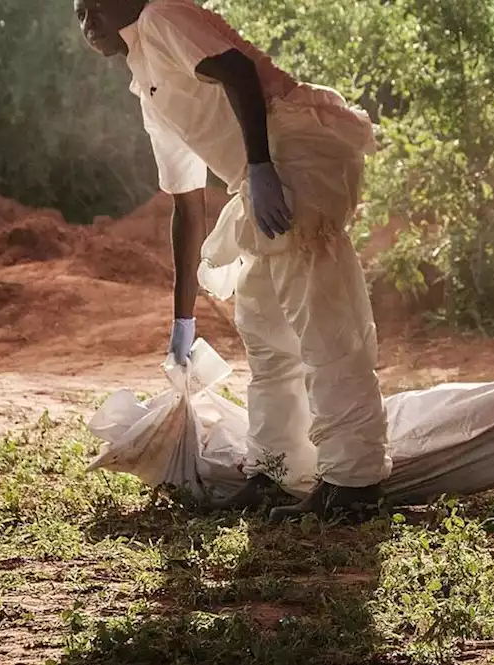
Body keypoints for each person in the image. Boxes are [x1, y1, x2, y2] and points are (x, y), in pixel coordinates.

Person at [74, 0, 391, 519]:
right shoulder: (146, 80)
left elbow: (238, 70)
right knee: (265, 328)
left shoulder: (161, 17)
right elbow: (187, 204)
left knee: (323, 322)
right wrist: (182, 321)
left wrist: (261, 166)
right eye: (79, 13)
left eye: (96, 7)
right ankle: (277, 472)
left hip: (292, 152)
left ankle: (355, 484)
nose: (89, 24)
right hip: (258, 179)